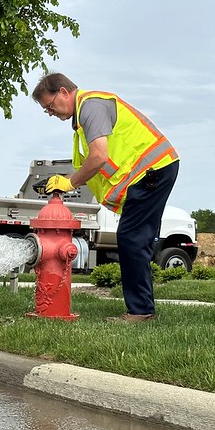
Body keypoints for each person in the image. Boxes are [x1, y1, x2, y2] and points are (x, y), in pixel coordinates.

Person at [31, 72, 179, 323]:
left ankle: (141, 312)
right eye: (46, 110)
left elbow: (99, 157)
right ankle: (143, 309)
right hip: (154, 171)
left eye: (50, 106)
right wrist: (62, 180)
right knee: (136, 241)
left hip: (151, 172)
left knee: (131, 239)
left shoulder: (91, 107)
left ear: (64, 92)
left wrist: (69, 182)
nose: (50, 112)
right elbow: (94, 163)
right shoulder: (82, 119)